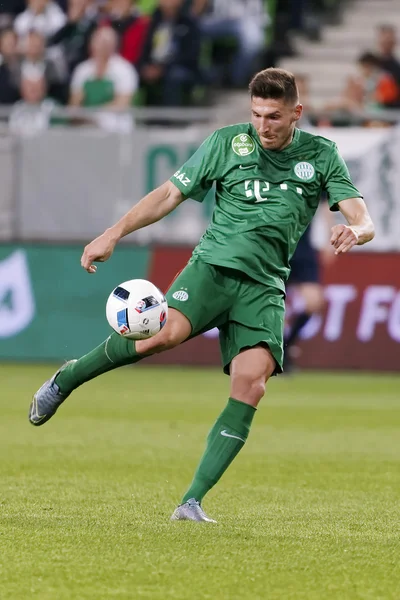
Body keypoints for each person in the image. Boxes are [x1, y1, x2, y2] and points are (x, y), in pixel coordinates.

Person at [29, 68, 375, 523]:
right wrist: (113, 234)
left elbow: (362, 215)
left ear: (296, 112)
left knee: (251, 386)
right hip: (212, 269)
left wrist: (357, 230)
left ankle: (191, 502)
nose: (263, 125)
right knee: (158, 336)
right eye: (256, 115)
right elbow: (169, 194)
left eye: (273, 116)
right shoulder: (227, 143)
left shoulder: (322, 154)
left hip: (266, 286)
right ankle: (68, 378)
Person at [284, 201, 335, 372]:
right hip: (276, 248)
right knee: (274, 306)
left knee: (314, 302)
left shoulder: (310, 174)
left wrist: (330, 240)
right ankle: (277, 355)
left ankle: (287, 345)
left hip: (303, 248)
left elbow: (325, 205)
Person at [69, 26, 138, 131]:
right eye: (100, 41)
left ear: (115, 45)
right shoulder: (82, 70)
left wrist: (95, 115)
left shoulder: (125, 69)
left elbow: (122, 103)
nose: (103, 46)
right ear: (91, 44)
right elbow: (75, 103)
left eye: (107, 42)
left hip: (116, 126)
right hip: (86, 124)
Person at [139, 0, 201, 106]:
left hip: (179, 66)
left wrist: (163, 68)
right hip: (153, 65)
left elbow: (190, 54)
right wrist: (146, 65)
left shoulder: (189, 23)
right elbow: (144, 48)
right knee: (133, 73)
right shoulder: (153, 22)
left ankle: (172, 119)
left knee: (174, 76)